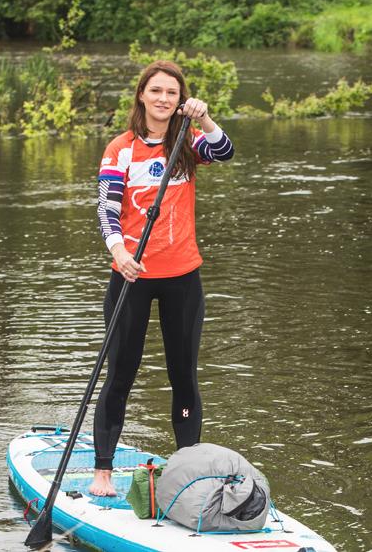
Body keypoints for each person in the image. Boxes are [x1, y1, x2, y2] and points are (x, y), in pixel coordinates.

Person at [88, 60, 234, 497]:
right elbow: (107, 210)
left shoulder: (187, 144)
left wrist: (204, 117)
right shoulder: (122, 149)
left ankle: (188, 471)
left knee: (184, 374)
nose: (164, 99)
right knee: (121, 374)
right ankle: (102, 472)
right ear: (141, 96)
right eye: (156, 91)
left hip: (183, 277)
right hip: (131, 276)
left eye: (172, 93)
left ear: (180, 99)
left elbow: (225, 151)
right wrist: (120, 252)